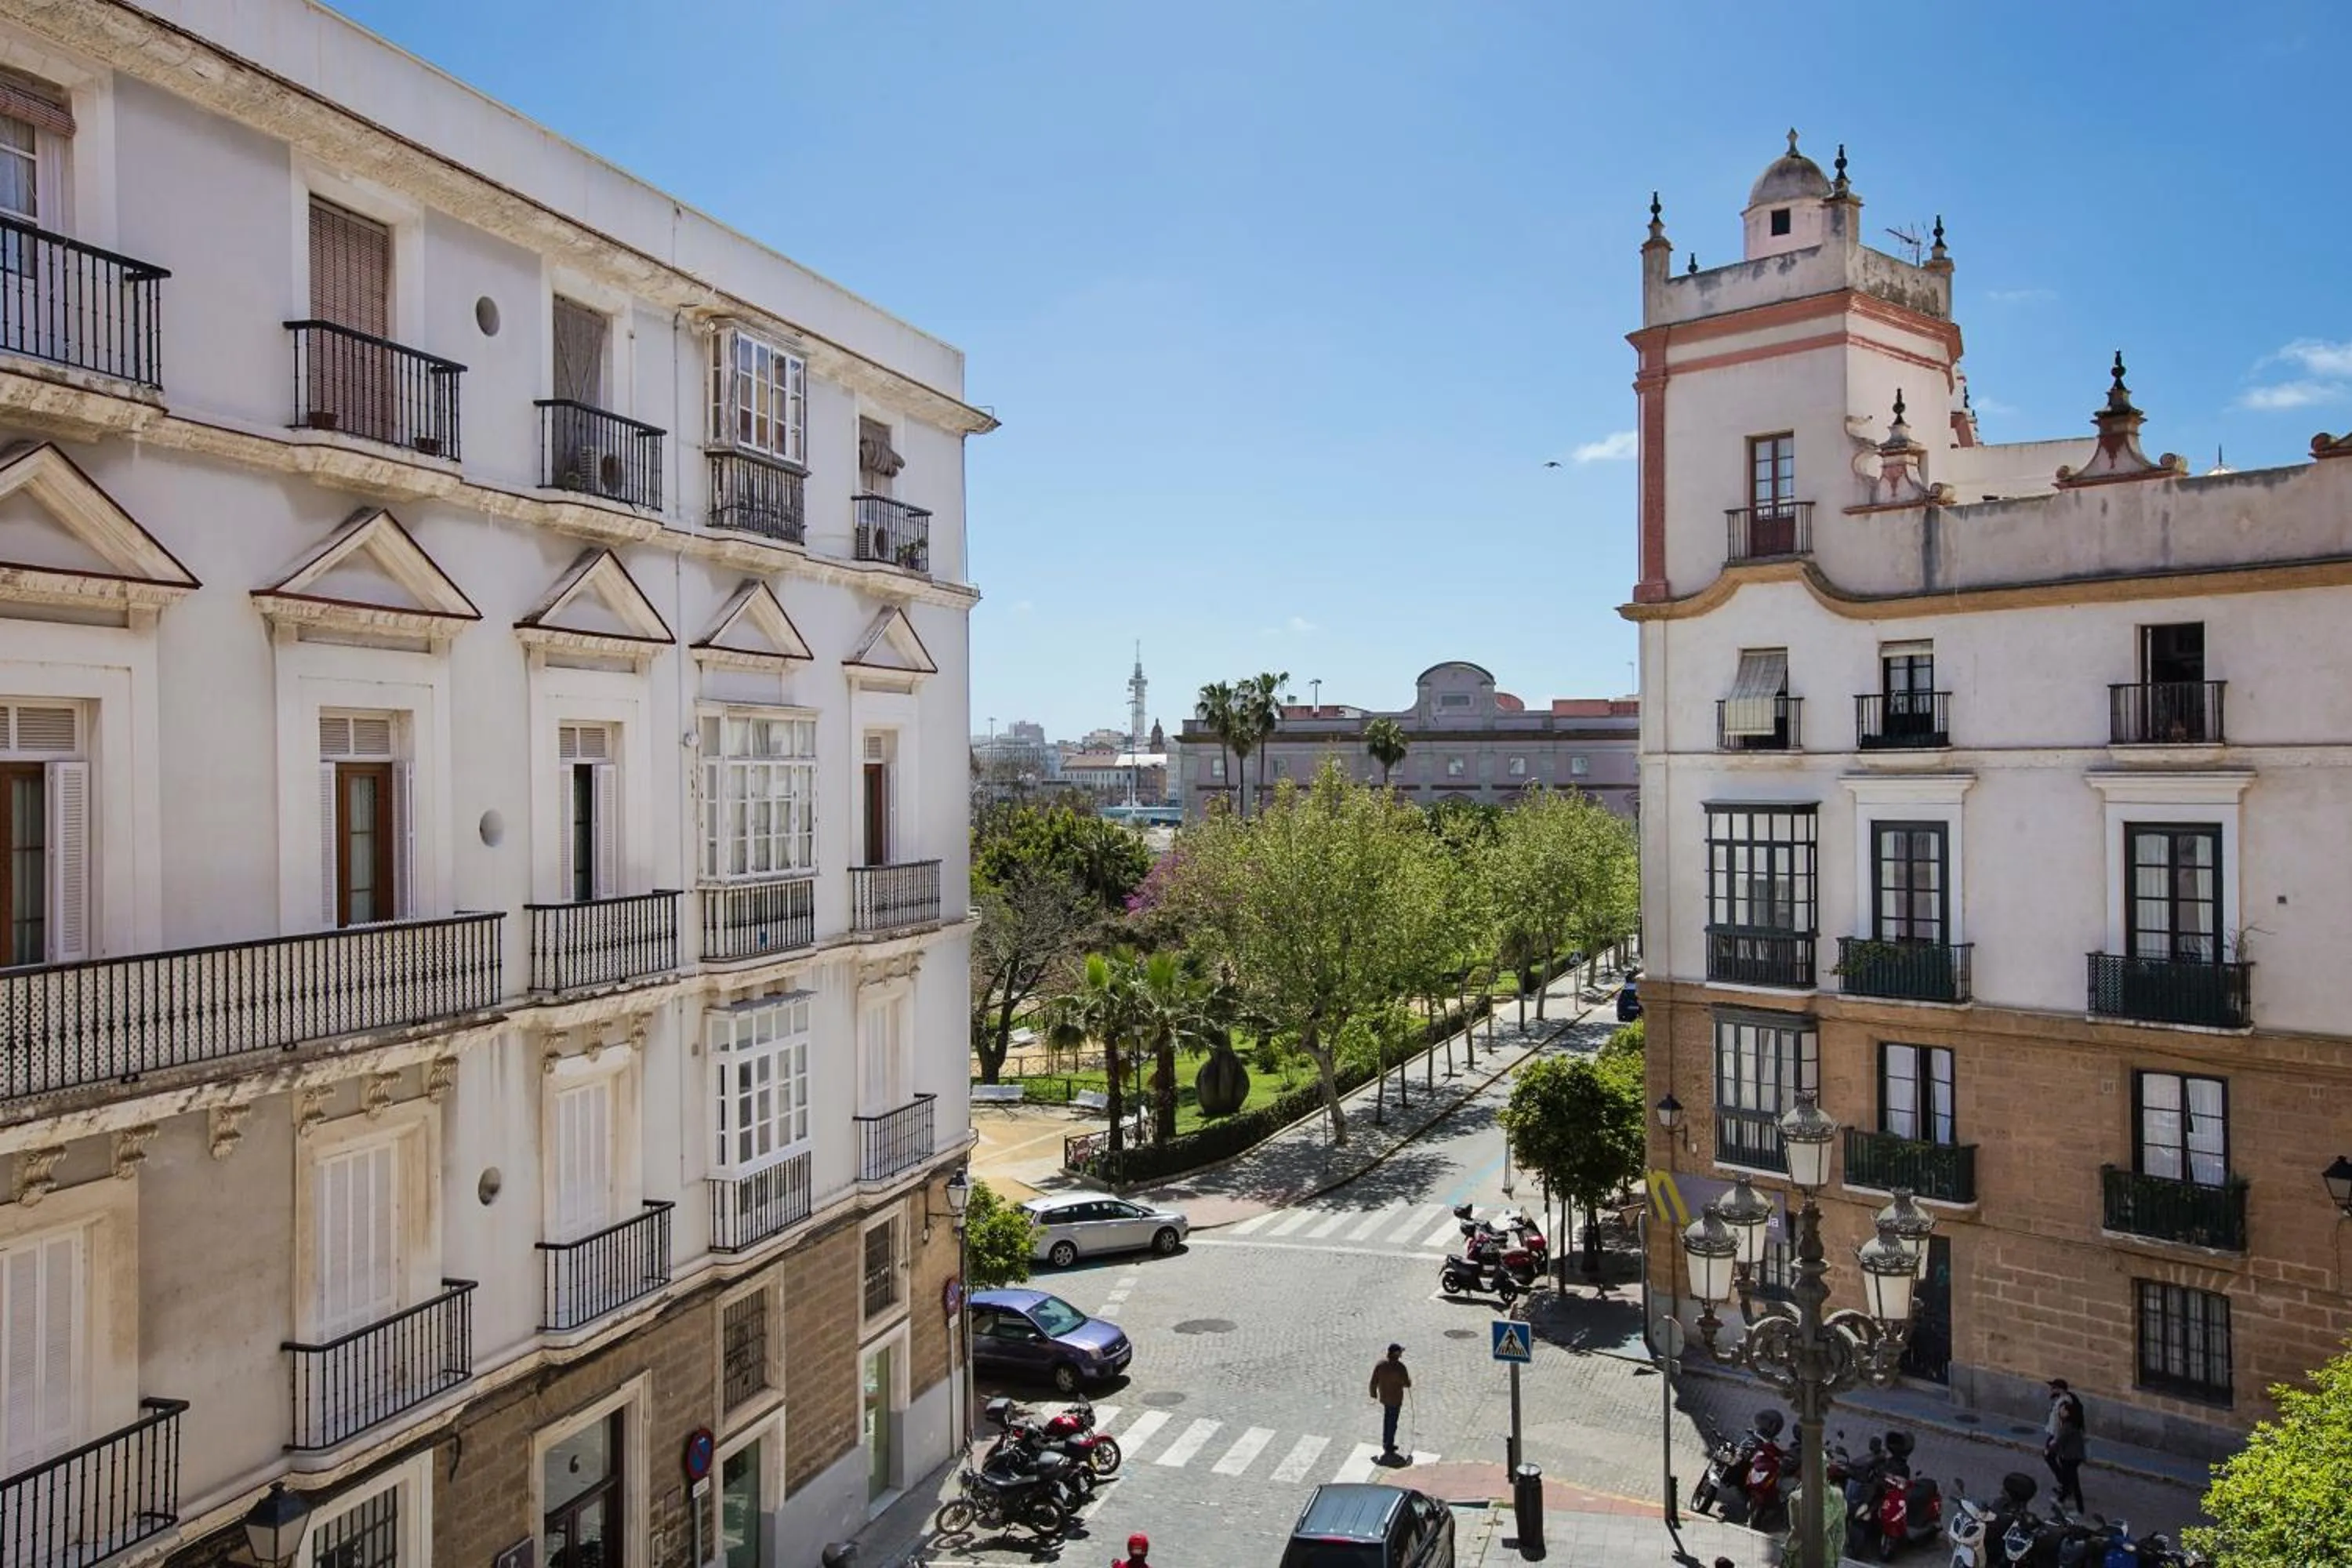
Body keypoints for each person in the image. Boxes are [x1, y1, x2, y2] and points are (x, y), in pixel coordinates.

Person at [2044, 1378, 2087, 1512]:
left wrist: (2052, 1445)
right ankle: (2064, 1492)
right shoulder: (2061, 1403)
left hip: (2070, 1453)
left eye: (2054, 1388)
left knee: (2072, 1478)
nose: (2051, 1390)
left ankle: (2070, 1500)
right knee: (2071, 1477)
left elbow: (2062, 1436)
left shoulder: (2066, 1405)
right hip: (2066, 1450)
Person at [1369, 1343, 1411, 1459]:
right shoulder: (1400, 1368)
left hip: (1384, 1397)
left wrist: (1374, 1394)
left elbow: (1373, 1381)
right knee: (1392, 1421)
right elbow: (1407, 1384)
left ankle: (1386, 1441)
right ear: (1396, 1354)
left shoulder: (1381, 1365)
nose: (1402, 1354)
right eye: (1400, 1352)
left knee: (1387, 1418)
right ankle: (1389, 1444)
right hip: (1396, 1398)